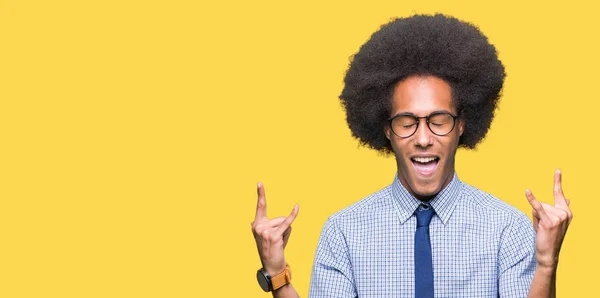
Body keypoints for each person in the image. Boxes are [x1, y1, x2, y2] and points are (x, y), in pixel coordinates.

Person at [251, 14, 572, 298]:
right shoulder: (344, 233)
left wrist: (546, 264)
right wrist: (278, 277)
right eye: (406, 122)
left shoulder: (507, 228)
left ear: (461, 124)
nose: (422, 138)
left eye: (439, 121)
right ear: (387, 129)